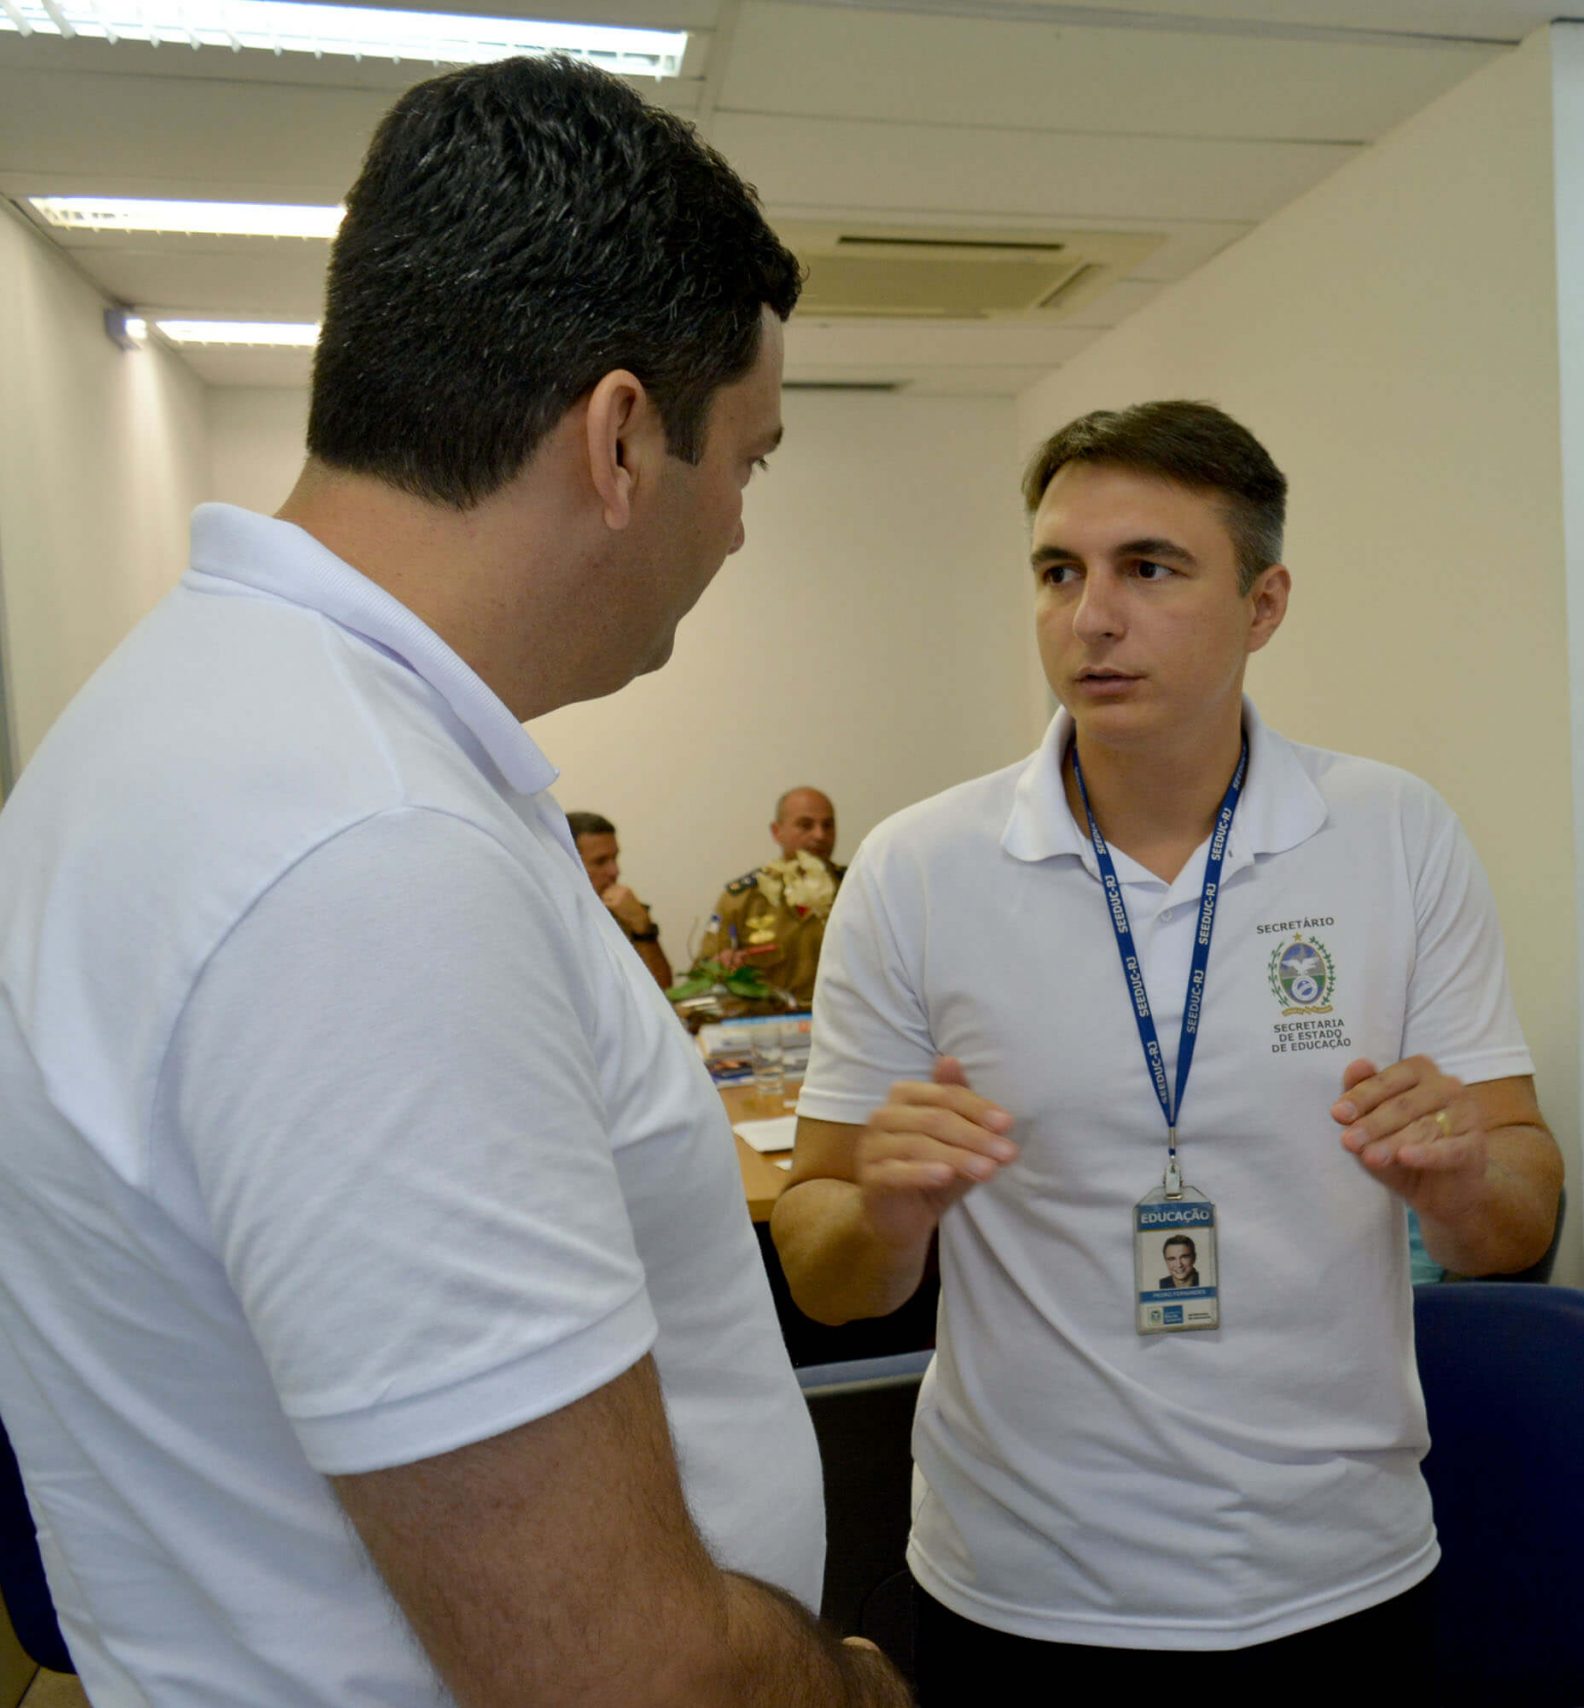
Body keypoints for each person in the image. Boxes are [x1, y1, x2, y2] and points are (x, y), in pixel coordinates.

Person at [0, 55, 905, 1707]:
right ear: (623, 437)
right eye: (750, 464)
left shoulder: (188, 720)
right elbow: (613, 1675)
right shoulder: (364, 854)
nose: (740, 533)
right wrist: (844, 1683)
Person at [771, 400, 1565, 1698]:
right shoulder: (920, 869)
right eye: (1058, 572)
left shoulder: (1393, 835)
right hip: (1026, 1585)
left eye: (1149, 568)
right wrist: (886, 1216)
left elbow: (1518, 1214)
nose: (1091, 615)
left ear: (1265, 605)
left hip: (1338, 1569)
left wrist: (1465, 1182)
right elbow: (822, 1267)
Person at [699, 785, 843, 1004]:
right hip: (766, 1025)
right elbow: (703, 975)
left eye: (828, 825)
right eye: (806, 825)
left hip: (842, 1025)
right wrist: (723, 967)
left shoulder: (854, 890)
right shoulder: (743, 898)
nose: (820, 835)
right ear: (777, 831)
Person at [569, 809, 674, 988]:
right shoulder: (550, 918)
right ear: (567, 862)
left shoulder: (621, 909)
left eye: (615, 858)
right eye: (600, 862)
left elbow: (662, 990)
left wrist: (642, 927)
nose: (615, 871)